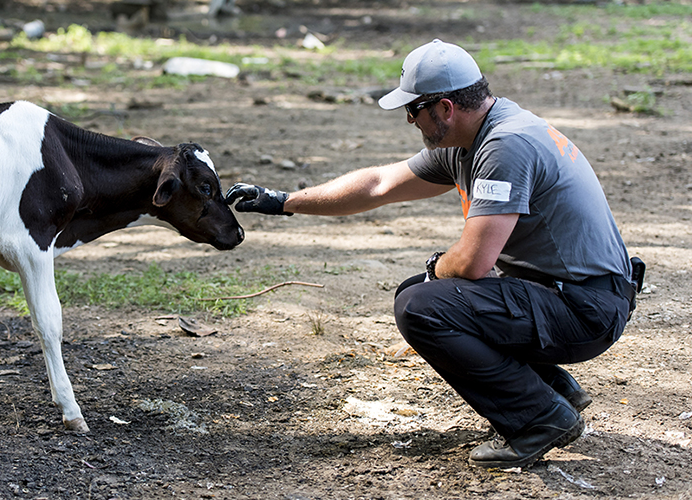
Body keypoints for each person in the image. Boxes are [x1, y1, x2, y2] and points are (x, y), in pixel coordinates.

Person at [225, 39, 640, 469]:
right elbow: (378, 184)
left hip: (586, 308)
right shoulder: (472, 139)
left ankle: (541, 417)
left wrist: (437, 270)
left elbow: (474, 261)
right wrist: (283, 200)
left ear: (444, 108)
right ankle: (553, 390)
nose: (409, 120)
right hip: (572, 295)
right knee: (423, 294)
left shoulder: (505, 145)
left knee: (422, 305)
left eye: (413, 110)